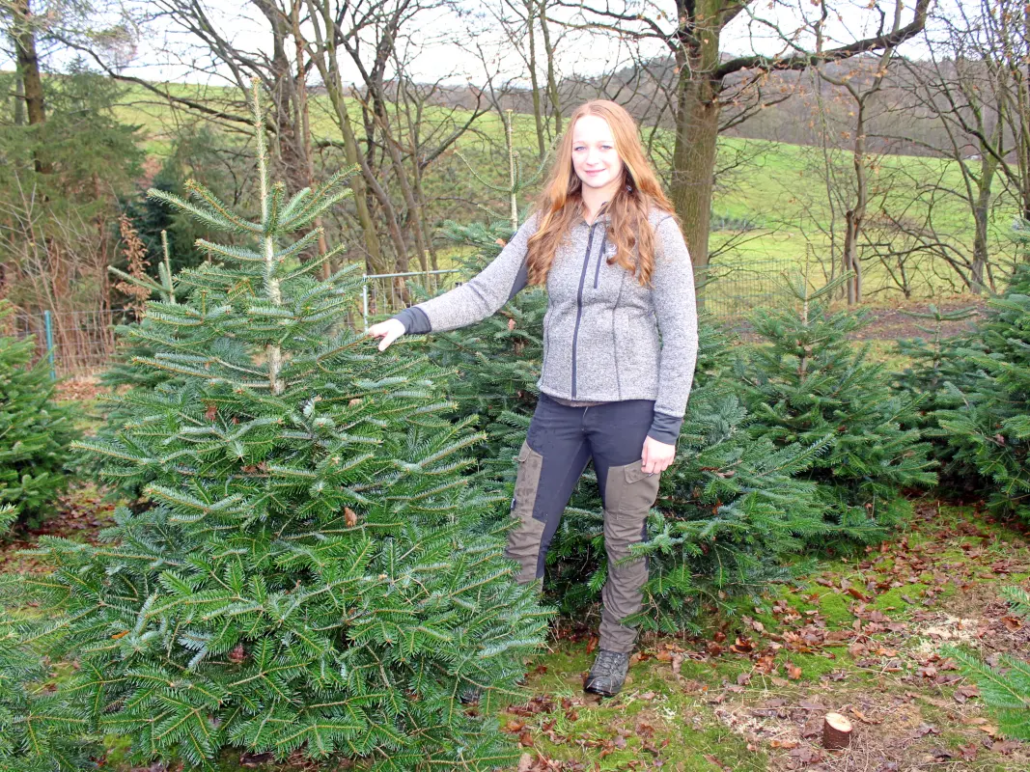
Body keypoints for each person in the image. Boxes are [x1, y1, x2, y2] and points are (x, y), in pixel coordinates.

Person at [368, 100, 698, 697]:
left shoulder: (657, 227)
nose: (592, 159)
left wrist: (666, 426)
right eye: (580, 147)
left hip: (629, 415)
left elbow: (682, 333)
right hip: (556, 412)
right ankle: (505, 651)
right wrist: (411, 319)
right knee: (525, 535)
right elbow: (483, 292)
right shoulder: (551, 220)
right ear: (568, 155)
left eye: (604, 146)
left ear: (625, 150)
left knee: (624, 540)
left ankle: (614, 654)